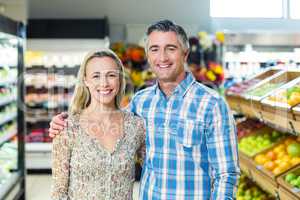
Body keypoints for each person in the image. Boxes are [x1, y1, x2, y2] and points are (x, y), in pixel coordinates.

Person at [49, 20, 240, 199]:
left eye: (171, 48)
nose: (162, 57)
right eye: (154, 49)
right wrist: (64, 120)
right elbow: (106, 116)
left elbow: (226, 174)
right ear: (148, 56)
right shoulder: (141, 102)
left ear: (185, 53)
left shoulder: (212, 104)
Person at [50, 49, 145, 200]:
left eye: (111, 75)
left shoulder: (136, 126)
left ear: (120, 79)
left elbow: (154, 169)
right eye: (96, 76)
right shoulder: (67, 128)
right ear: (86, 80)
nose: (104, 83)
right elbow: (59, 192)